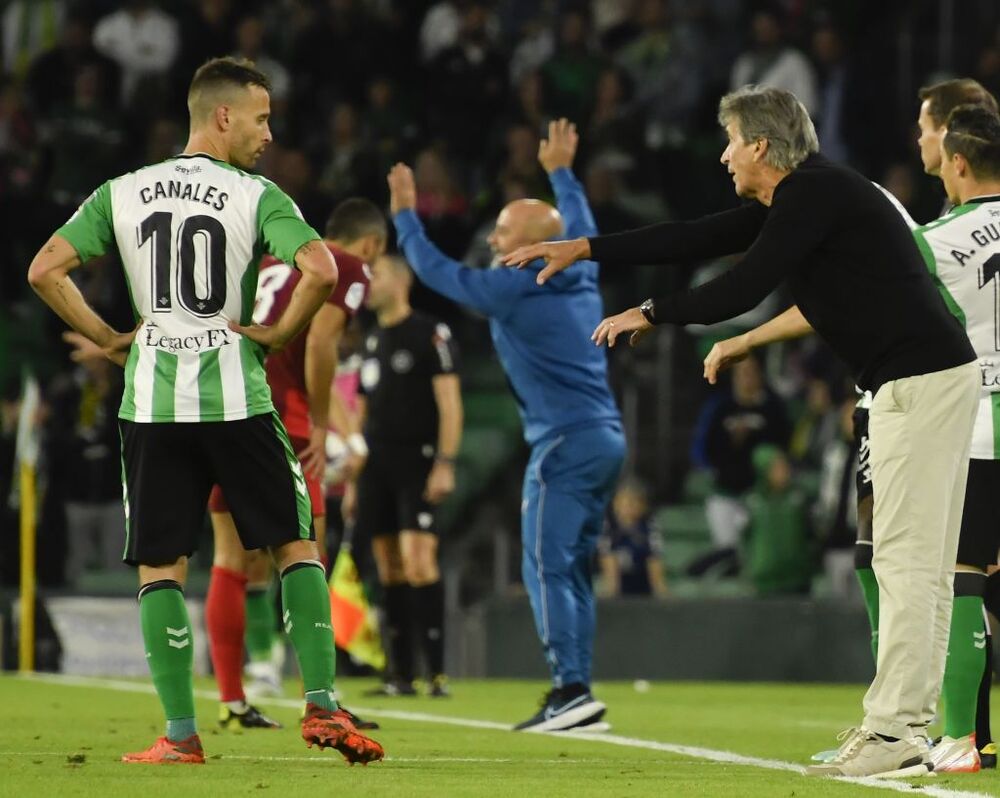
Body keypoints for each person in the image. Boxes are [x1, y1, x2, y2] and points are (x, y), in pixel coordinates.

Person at [504, 87, 979, 778]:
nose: (724, 154)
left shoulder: (813, 194)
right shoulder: (805, 196)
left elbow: (743, 285)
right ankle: (905, 726)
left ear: (760, 145)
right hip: (919, 379)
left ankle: (896, 731)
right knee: (918, 566)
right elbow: (695, 235)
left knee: (907, 563)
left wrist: (651, 311)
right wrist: (587, 246)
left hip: (923, 381)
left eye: (730, 140)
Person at [26, 57, 383, 765]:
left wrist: (106, 338)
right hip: (236, 394)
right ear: (223, 116)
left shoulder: (121, 192)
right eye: (261, 118)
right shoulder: (257, 194)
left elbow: (43, 270)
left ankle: (181, 735)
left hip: (153, 401)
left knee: (161, 566)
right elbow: (321, 268)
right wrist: (281, 333)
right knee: (293, 542)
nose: (268, 134)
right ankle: (321, 705)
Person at [712, 78, 1000, 773]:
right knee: (951, 573)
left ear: (957, 151)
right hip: (964, 403)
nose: (920, 139)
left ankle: (939, 733)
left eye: (927, 127)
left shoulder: (937, 238)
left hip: (960, 415)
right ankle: (938, 732)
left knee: (929, 569)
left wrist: (745, 340)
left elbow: (878, 294)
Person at [387, 118, 625, 731]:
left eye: (503, 230)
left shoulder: (517, 284)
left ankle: (570, 691)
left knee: (545, 566)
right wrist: (563, 175)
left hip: (564, 441)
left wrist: (408, 218)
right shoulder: (585, 267)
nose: (493, 240)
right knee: (569, 569)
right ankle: (577, 690)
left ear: (531, 240)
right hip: (602, 437)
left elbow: (440, 276)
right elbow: (584, 227)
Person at [204, 198, 383, 727]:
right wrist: (323, 425)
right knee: (308, 556)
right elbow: (322, 345)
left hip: (226, 409)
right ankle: (320, 699)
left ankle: (233, 701)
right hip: (283, 420)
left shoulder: (269, 263)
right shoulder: (347, 266)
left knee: (228, 560)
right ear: (371, 245)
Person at [350, 254, 463, 698]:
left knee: (419, 562)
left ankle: (435, 673)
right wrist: (355, 475)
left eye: (374, 275)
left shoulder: (429, 333)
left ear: (400, 281)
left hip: (418, 461)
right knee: (389, 566)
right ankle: (400, 674)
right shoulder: (372, 341)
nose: (368, 284)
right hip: (376, 465)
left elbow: (450, 403)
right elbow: (362, 409)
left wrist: (445, 463)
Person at [598, 478, 667, 598]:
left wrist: (659, 588)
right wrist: (612, 588)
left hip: (643, 580)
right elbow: (607, 555)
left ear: (644, 506)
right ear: (615, 503)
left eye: (633, 502)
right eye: (622, 502)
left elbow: (654, 557)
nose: (627, 507)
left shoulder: (649, 525)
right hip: (618, 580)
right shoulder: (608, 525)